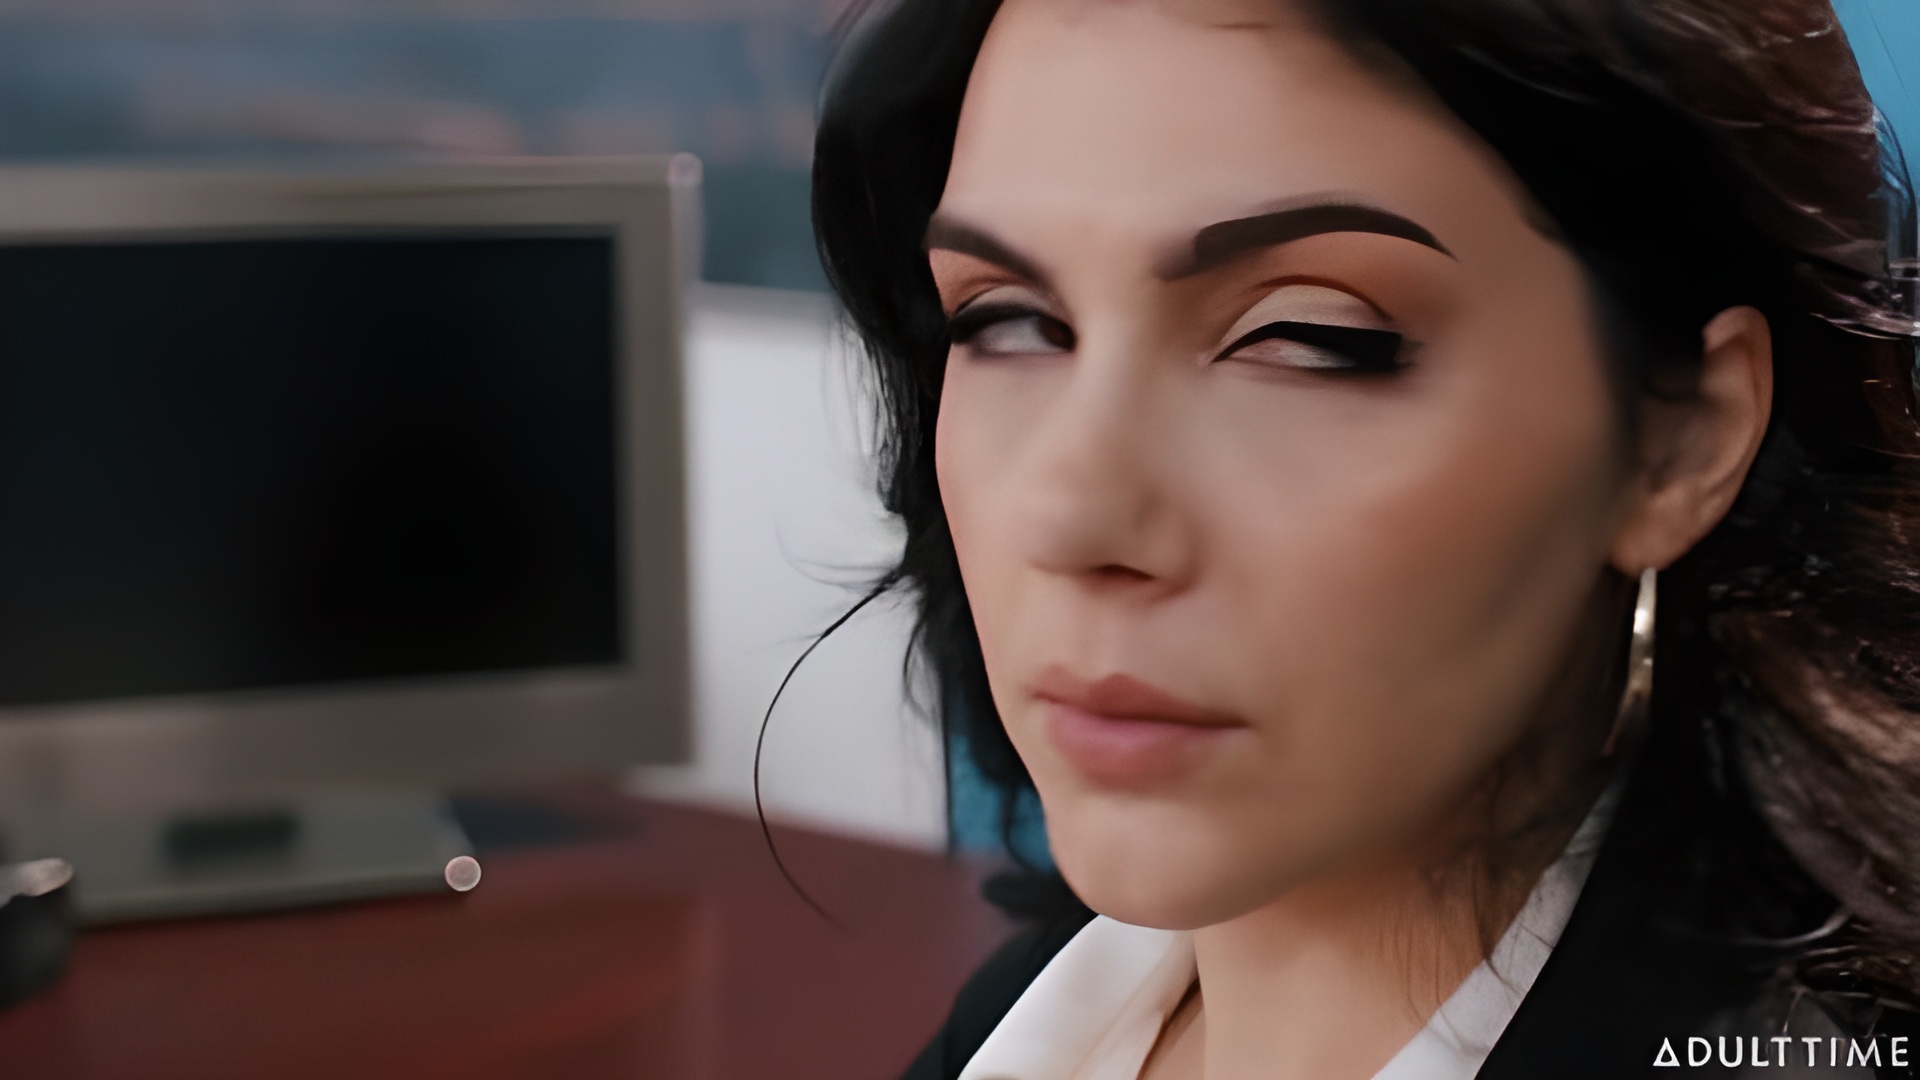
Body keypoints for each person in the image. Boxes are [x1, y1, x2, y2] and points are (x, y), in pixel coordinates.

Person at [809, 0, 1920, 1075]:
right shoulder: (1006, 1025)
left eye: (1308, 337)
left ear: (1683, 439)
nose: (1072, 519)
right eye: (1008, 321)